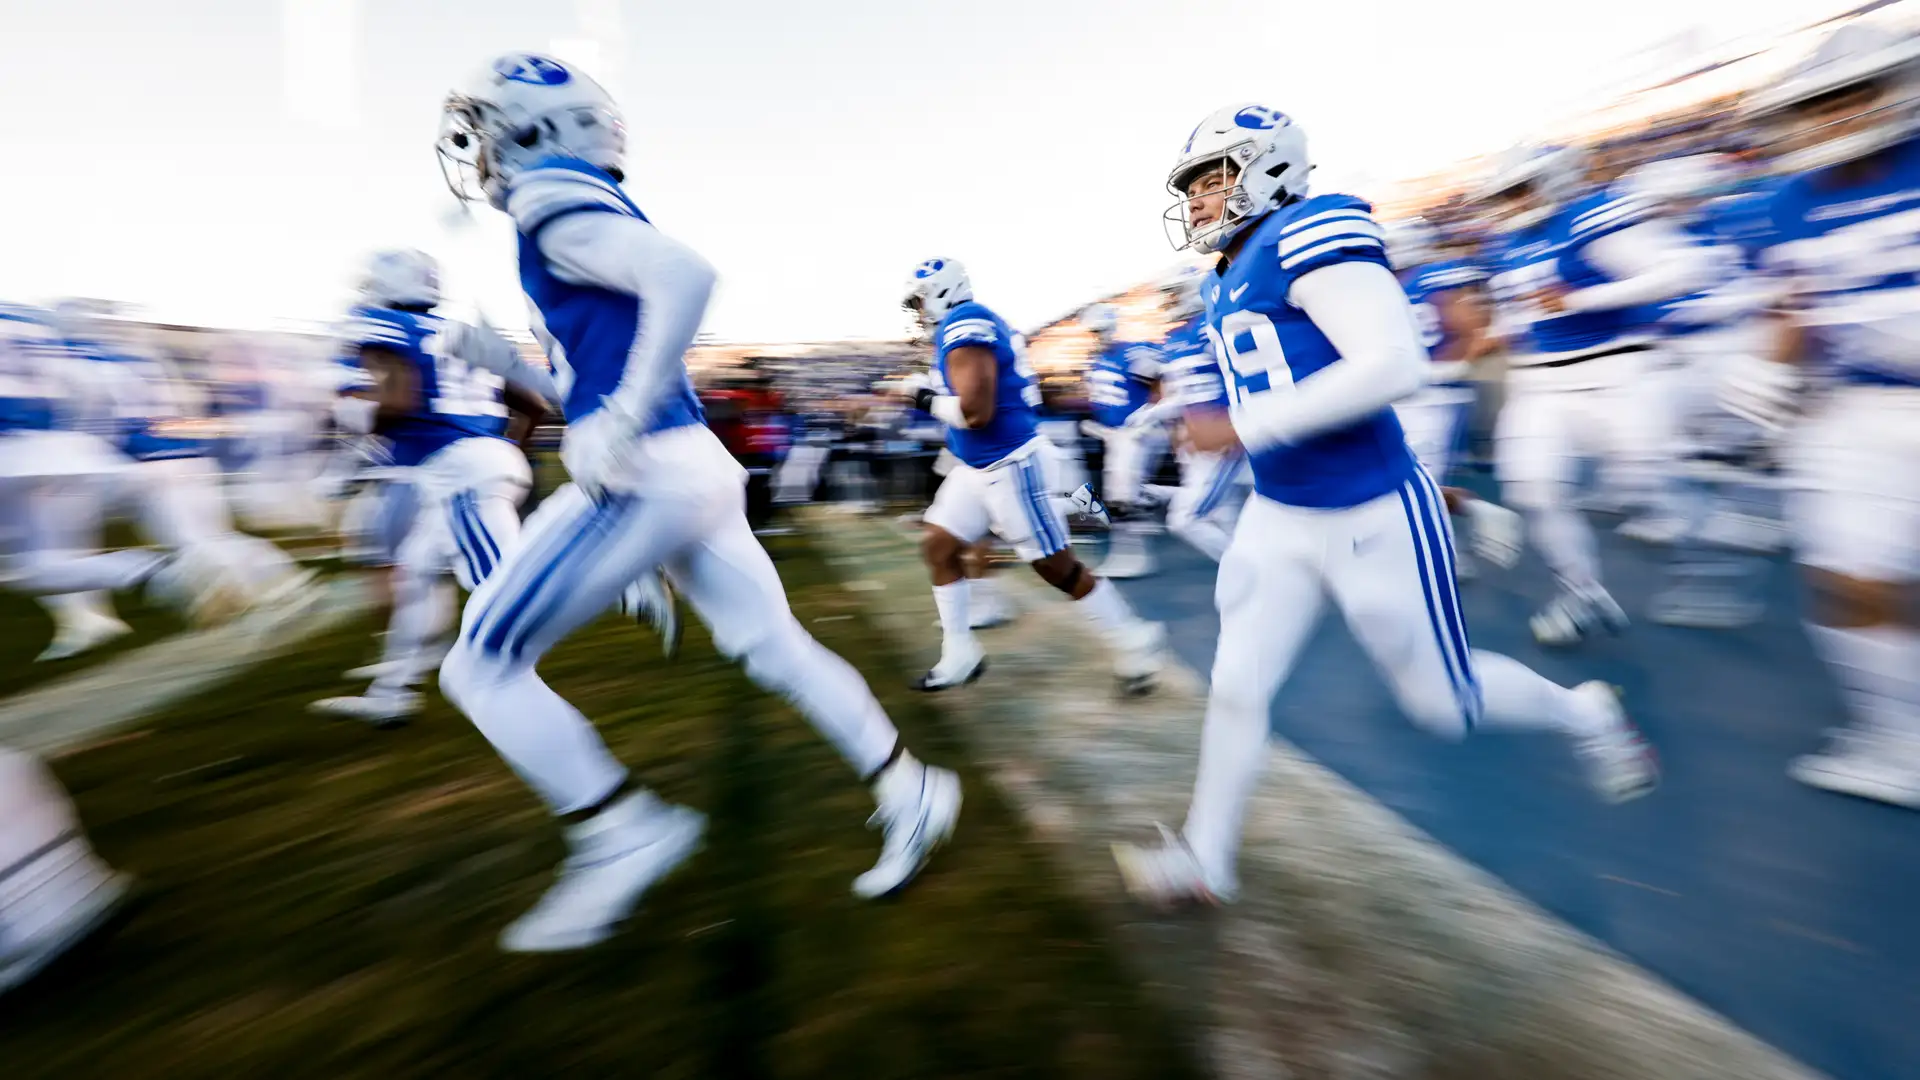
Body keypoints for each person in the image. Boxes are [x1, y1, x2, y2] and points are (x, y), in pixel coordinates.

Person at [433, 53, 961, 951]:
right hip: (690, 467)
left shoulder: (548, 204)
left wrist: (624, 414)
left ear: (534, 130)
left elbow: (685, 275)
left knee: (478, 667)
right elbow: (586, 389)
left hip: (650, 472)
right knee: (775, 649)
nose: (477, 150)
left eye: (488, 127)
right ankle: (911, 788)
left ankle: (620, 832)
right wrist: (509, 365)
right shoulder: (575, 215)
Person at [1111, 103, 1659, 907]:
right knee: (1236, 683)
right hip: (1280, 512)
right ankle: (1205, 858)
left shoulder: (1309, 231)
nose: (1195, 199)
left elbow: (1393, 364)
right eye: (1189, 185)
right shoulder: (1224, 273)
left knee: (1444, 705)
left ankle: (1584, 712)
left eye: (1212, 178)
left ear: (1269, 167)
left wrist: (1243, 426)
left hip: (1373, 511)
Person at [1742, 24, 1920, 807]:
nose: (1833, 117)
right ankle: (1900, 743)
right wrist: (1764, 378)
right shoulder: (1788, 202)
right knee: (1848, 574)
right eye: (1817, 104)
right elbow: (1795, 307)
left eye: (1851, 98)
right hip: (1853, 408)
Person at [898, 257, 1165, 694]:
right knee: (938, 545)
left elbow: (974, 413)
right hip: (977, 466)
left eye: (920, 300)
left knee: (1056, 568)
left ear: (943, 292)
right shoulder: (965, 326)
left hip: (1010, 464)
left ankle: (1133, 637)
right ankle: (959, 650)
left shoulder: (966, 322)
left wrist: (920, 396)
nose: (917, 312)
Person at [1477, 143, 1707, 645]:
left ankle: (1713, 557)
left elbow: (1682, 271)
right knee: (1532, 488)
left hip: (1618, 374)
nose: (1513, 202)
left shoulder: (1589, 216)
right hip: (1542, 382)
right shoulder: (1504, 243)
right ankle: (1580, 590)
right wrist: (1500, 329)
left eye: (1521, 189)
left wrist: (1582, 298)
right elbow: (1522, 309)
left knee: (1647, 482)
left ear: (1553, 180)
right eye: (1506, 193)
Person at [1381, 218, 1524, 579]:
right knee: (1400, 478)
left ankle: (1449, 552)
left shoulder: (1438, 277)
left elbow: (1481, 329)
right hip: (1400, 396)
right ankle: (1447, 542)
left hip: (1436, 398)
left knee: (1421, 479)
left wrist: (1450, 369)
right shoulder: (1383, 289)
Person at [1121, 266, 1248, 562]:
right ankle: (1245, 583)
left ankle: (1249, 574)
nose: (1169, 302)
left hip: (1224, 434)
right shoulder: (1174, 339)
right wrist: (1152, 413)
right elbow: (1184, 394)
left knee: (1187, 518)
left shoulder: (1213, 326)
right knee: (1225, 516)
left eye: (1174, 295)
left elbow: (1242, 376)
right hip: (1197, 438)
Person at [1081, 302, 1165, 578]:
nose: (1097, 336)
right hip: (1116, 437)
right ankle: (1130, 547)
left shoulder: (1131, 351)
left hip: (1136, 434)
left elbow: (1160, 384)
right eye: (1094, 332)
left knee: (1123, 499)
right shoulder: (1096, 361)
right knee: (1123, 496)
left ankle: (1133, 555)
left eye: (1100, 330)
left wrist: (1148, 418)